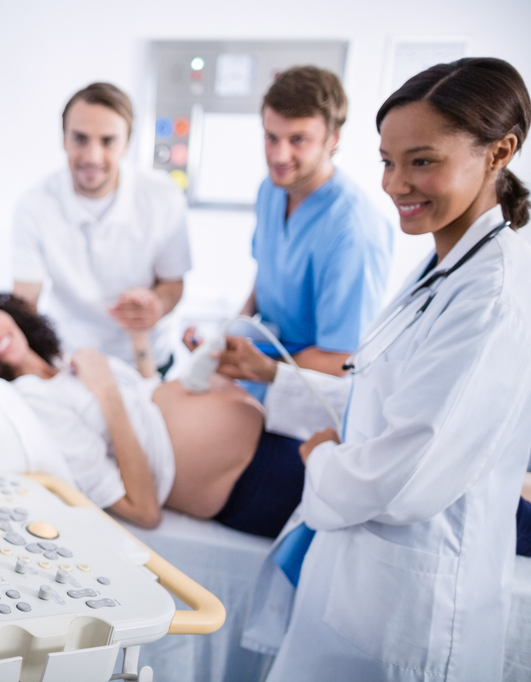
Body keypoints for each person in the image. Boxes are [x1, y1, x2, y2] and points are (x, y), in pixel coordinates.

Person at [239, 58, 531, 681]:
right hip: (360, 580)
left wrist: (320, 457)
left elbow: (401, 475)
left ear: (500, 151)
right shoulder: (445, 265)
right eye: (388, 161)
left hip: (415, 609)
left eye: (422, 161)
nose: (396, 184)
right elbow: (378, 389)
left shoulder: (493, 295)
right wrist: (280, 387)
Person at [0, 290, 307, 535]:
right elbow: (142, 511)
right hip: (251, 483)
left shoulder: (60, 359)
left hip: (269, 435)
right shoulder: (33, 400)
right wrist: (107, 392)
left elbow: (147, 396)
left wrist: (138, 339)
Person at [203, 66, 392, 397]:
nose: (279, 156)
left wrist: (264, 368)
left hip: (311, 396)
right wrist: (231, 333)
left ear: (332, 140)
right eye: (271, 137)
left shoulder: (354, 231)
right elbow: (266, 276)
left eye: (298, 140)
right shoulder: (271, 190)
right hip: (264, 372)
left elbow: (344, 359)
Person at [12, 82, 191, 378]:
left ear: (127, 143)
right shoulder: (34, 205)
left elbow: (173, 284)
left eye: (108, 141)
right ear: (64, 139)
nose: (92, 157)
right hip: (74, 359)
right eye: (80, 139)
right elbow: (25, 300)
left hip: (148, 357)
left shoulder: (164, 197)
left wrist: (155, 305)